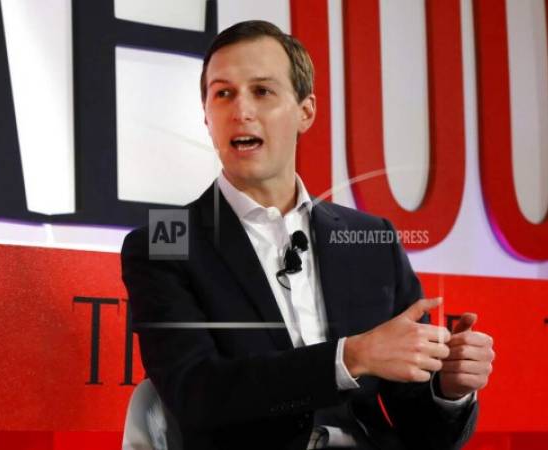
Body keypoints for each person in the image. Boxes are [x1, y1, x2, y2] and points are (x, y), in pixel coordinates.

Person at [121, 20, 494, 450]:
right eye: (223, 93)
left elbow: (425, 432)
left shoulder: (371, 239)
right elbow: (196, 393)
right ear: (206, 115)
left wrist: (449, 389)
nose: (241, 110)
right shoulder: (165, 241)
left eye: (262, 91)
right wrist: (349, 357)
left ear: (306, 111)